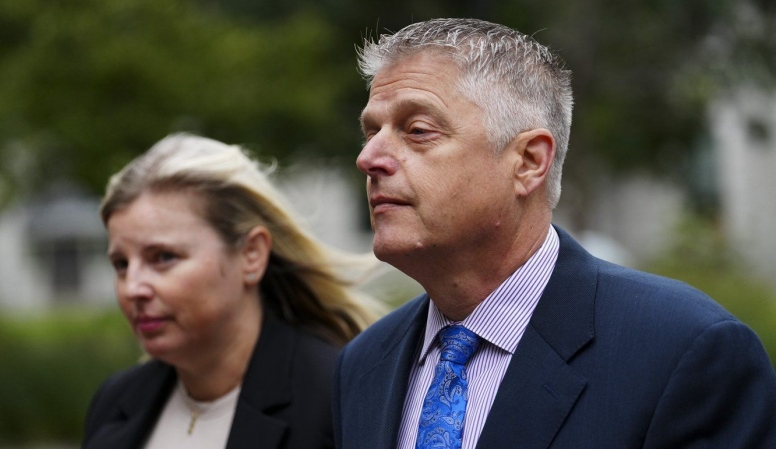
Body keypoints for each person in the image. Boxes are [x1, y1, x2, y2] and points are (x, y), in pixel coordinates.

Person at [333, 18, 776, 449]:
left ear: (528, 162)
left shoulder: (683, 350)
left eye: (417, 131)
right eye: (371, 132)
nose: (369, 157)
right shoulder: (364, 363)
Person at [83, 133, 377, 449]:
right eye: (121, 264)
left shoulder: (337, 399)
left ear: (251, 255)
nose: (133, 288)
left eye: (164, 257)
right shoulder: (115, 402)